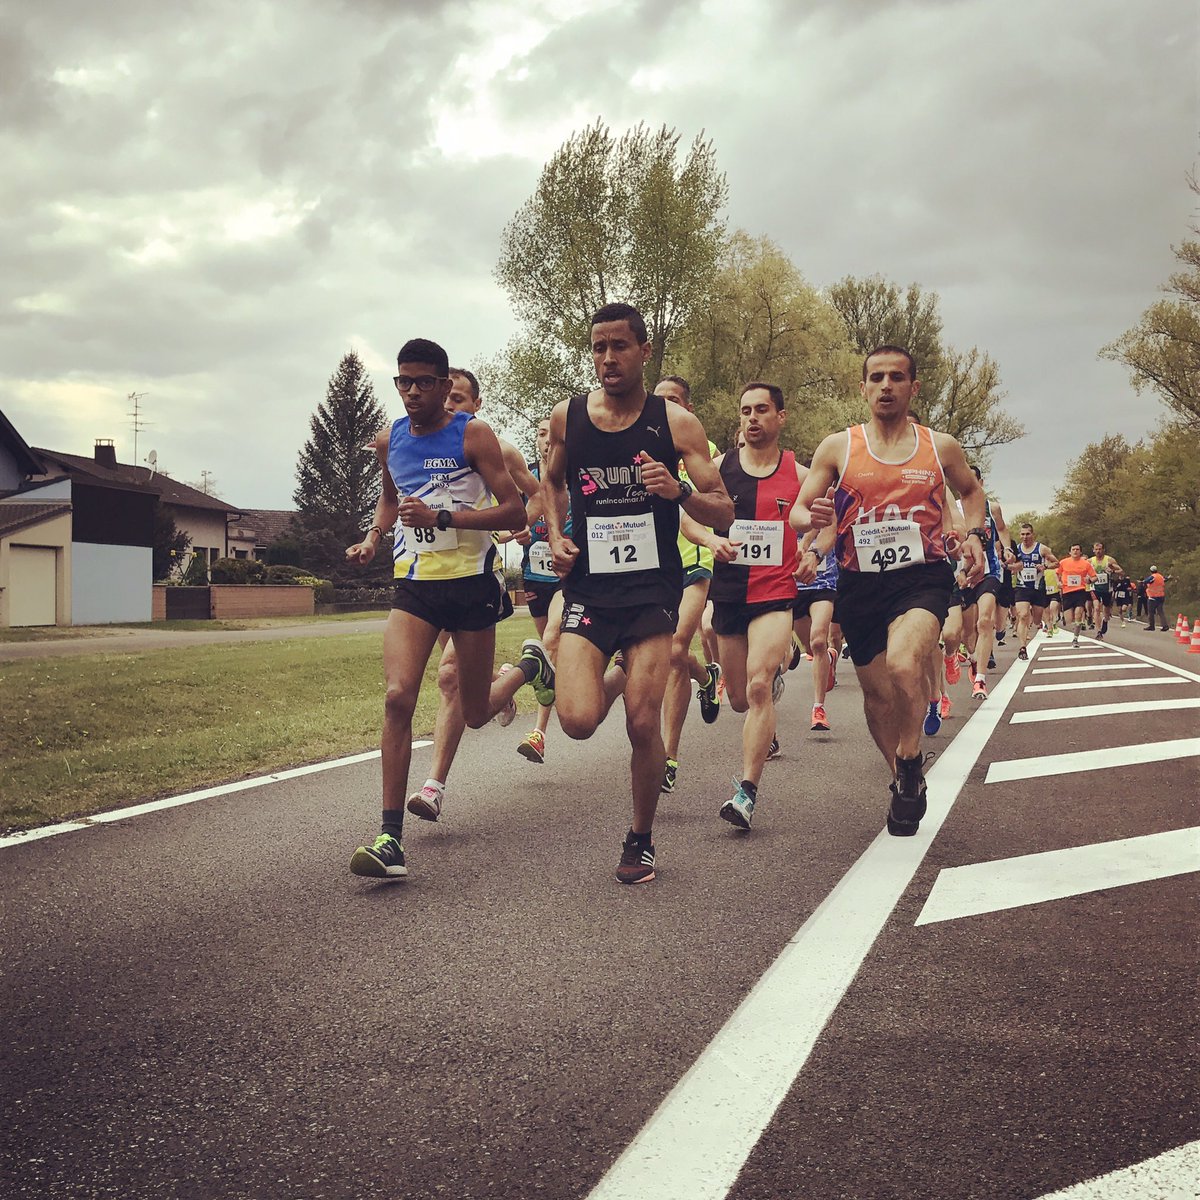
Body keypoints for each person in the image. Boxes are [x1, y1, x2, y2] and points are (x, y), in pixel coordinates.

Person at [344, 338, 553, 881]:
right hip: (414, 586)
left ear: (442, 386)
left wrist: (444, 519)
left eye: (422, 382)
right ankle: (390, 838)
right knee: (397, 698)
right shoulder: (390, 438)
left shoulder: (474, 436)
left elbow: (514, 509)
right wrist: (373, 537)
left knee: (477, 710)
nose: (411, 391)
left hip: (471, 586)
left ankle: (530, 668)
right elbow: (391, 498)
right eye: (402, 381)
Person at [542, 303, 733, 883]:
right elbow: (551, 482)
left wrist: (677, 491)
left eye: (619, 347)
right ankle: (621, 670)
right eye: (598, 348)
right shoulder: (567, 418)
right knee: (576, 721)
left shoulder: (674, 424)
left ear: (644, 351)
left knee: (641, 725)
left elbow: (722, 507)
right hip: (590, 591)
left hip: (652, 592)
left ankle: (641, 837)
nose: (607, 359)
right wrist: (554, 533)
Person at [790, 345, 986, 837]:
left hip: (922, 576)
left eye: (896, 377)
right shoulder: (839, 446)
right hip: (860, 583)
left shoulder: (940, 447)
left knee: (904, 662)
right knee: (877, 697)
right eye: (875, 377)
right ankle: (903, 778)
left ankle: (911, 754)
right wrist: (812, 527)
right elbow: (799, 510)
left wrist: (976, 535)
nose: (885, 385)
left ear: (912, 388)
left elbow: (972, 492)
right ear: (862, 388)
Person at [405, 368, 546, 819]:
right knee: (470, 691)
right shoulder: (415, 444)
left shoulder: (496, 448)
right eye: (447, 399)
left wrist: (522, 529)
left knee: (449, 678)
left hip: (476, 577)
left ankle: (433, 786)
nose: (449, 408)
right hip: (429, 579)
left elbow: (535, 494)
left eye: (459, 400)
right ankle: (517, 676)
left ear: (476, 405)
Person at [704, 382, 810, 829]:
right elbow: (688, 517)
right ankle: (782, 661)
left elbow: (830, 517)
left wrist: (814, 551)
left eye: (762, 410)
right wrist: (710, 539)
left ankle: (746, 793)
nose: (752, 418)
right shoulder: (717, 469)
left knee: (758, 686)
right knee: (738, 700)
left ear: (780, 417)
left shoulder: (800, 473)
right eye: (745, 410)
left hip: (775, 590)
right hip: (729, 590)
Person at [653, 375, 722, 795]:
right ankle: (707, 677)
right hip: (649, 565)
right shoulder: (634, 447)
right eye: (659, 402)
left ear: (688, 409)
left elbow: (714, 506)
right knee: (670, 656)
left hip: (694, 561)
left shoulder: (704, 452)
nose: (667, 409)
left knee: (677, 647)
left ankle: (668, 756)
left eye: (674, 401)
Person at [514, 415, 568, 765]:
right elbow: (512, 514)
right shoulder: (526, 478)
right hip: (535, 577)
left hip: (569, 578)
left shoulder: (574, 476)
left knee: (549, 640)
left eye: (552, 434)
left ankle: (538, 731)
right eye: (540, 433)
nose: (546, 439)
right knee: (550, 663)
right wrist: (516, 528)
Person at [957, 466, 1011, 701]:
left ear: (980, 481)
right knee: (966, 631)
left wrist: (1007, 548)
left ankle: (980, 680)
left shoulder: (993, 507)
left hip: (989, 570)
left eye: (972, 479)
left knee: (985, 621)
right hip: (962, 573)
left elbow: (1002, 529)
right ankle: (973, 657)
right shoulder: (952, 509)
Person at [1006, 522, 1058, 660]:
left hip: (1038, 588)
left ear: (1032, 534)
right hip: (1022, 588)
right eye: (1022, 534)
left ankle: (1038, 622)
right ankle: (1022, 648)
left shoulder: (1042, 549)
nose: (1025, 537)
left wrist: (1045, 566)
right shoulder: (1016, 550)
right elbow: (1010, 565)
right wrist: (1012, 567)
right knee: (1022, 615)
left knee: (1036, 619)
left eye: (1027, 534)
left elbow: (1056, 563)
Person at [1055, 544, 1098, 646]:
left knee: (1078, 614)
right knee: (1069, 620)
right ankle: (1069, 621)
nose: (1075, 551)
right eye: (1073, 549)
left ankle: (1075, 638)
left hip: (1080, 591)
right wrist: (1058, 582)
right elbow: (1057, 573)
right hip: (1067, 592)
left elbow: (1095, 577)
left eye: (1077, 549)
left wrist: (1090, 580)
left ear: (1080, 552)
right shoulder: (1063, 562)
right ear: (1070, 552)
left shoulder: (1086, 564)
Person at [1088, 542, 1125, 639]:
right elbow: (1082, 571)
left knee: (1106, 609)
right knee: (1096, 608)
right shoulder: (1090, 561)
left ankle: (1105, 620)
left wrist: (1113, 571)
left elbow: (1121, 571)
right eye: (1096, 549)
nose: (1098, 551)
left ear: (1103, 550)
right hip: (1095, 587)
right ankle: (1098, 631)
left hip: (1107, 588)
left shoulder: (1109, 560)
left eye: (1100, 549)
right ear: (1093, 550)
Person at [1143, 565, 1170, 630]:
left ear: (1151, 571)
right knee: (1161, 612)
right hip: (1161, 596)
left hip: (1153, 597)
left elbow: (1146, 581)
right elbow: (1165, 579)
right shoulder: (1160, 576)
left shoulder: (1153, 577)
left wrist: (1144, 582)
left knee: (1151, 612)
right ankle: (1165, 625)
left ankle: (1151, 626)